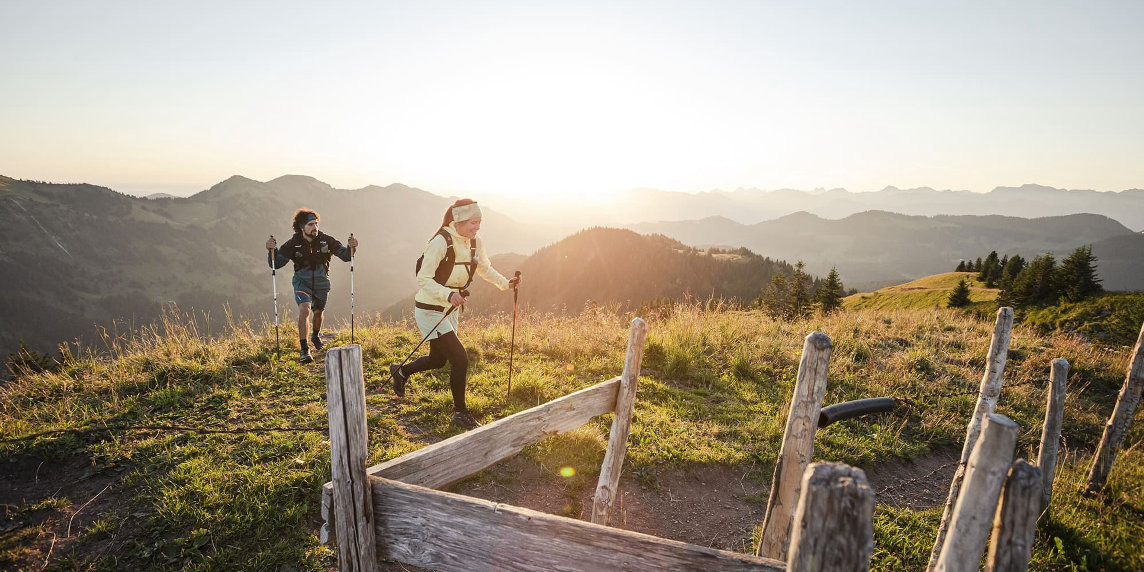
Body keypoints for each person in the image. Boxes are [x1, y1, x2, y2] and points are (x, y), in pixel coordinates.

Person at [389, 199, 520, 429]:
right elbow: (423, 280)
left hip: (450, 309)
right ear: (458, 220)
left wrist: (506, 284)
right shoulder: (441, 242)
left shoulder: (475, 243)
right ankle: (460, 413)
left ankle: (401, 372)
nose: (477, 227)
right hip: (430, 309)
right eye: (473, 222)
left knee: (438, 360)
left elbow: (485, 268)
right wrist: (448, 294)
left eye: (479, 222)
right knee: (460, 358)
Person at [266, 208, 359, 363]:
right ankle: (304, 349)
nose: (315, 227)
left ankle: (316, 336)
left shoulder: (326, 240)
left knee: (318, 312)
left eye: (316, 223)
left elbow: (345, 255)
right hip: (302, 282)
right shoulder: (293, 243)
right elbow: (276, 264)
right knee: (305, 308)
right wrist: (272, 251)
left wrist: (352, 248)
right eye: (310, 224)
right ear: (302, 227)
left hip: (322, 282)